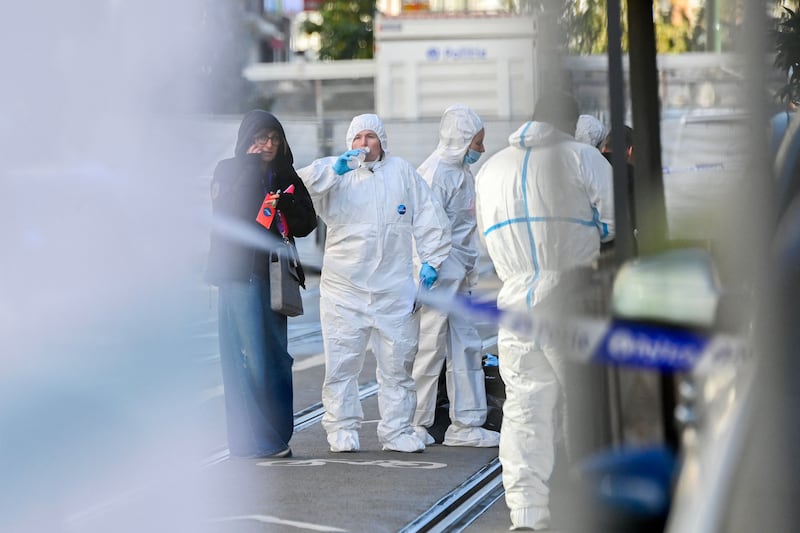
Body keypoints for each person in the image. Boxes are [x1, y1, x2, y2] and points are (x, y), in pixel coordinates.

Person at [475, 91, 615, 530]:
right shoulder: (583, 158)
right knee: (587, 403)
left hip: (516, 302)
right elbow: (615, 223)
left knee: (524, 408)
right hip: (574, 295)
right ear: (571, 123)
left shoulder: (491, 169)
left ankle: (528, 514)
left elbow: (486, 241)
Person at [297, 113, 451, 453]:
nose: (364, 145)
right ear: (349, 143)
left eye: (370, 137)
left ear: (383, 141)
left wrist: (430, 261)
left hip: (395, 290)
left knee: (398, 365)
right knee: (342, 364)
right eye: (358, 138)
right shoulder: (336, 173)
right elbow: (299, 188)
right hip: (344, 290)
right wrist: (335, 171)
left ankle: (396, 431)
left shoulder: (402, 173)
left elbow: (429, 216)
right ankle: (341, 429)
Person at [205, 110, 318, 458]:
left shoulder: (285, 174)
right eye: (260, 138)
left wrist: (286, 198)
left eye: (273, 138)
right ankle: (249, 441)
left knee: (275, 358)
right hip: (238, 277)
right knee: (243, 358)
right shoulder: (229, 170)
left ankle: (276, 437)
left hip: (274, 279)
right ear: (246, 140)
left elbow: (307, 223)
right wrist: (254, 172)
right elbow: (230, 213)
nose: (267, 145)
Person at [411, 104, 500, 448]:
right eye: (478, 142)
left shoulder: (462, 174)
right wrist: (425, 268)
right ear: (462, 140)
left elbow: (464, 231)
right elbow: (422, 227)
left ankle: (466, 423)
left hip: (457, 276)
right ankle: (416, 424)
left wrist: (468, 273)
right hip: (436, 277)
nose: (481, 149)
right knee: (429, 349)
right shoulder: (434, 174)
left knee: (466, 346)